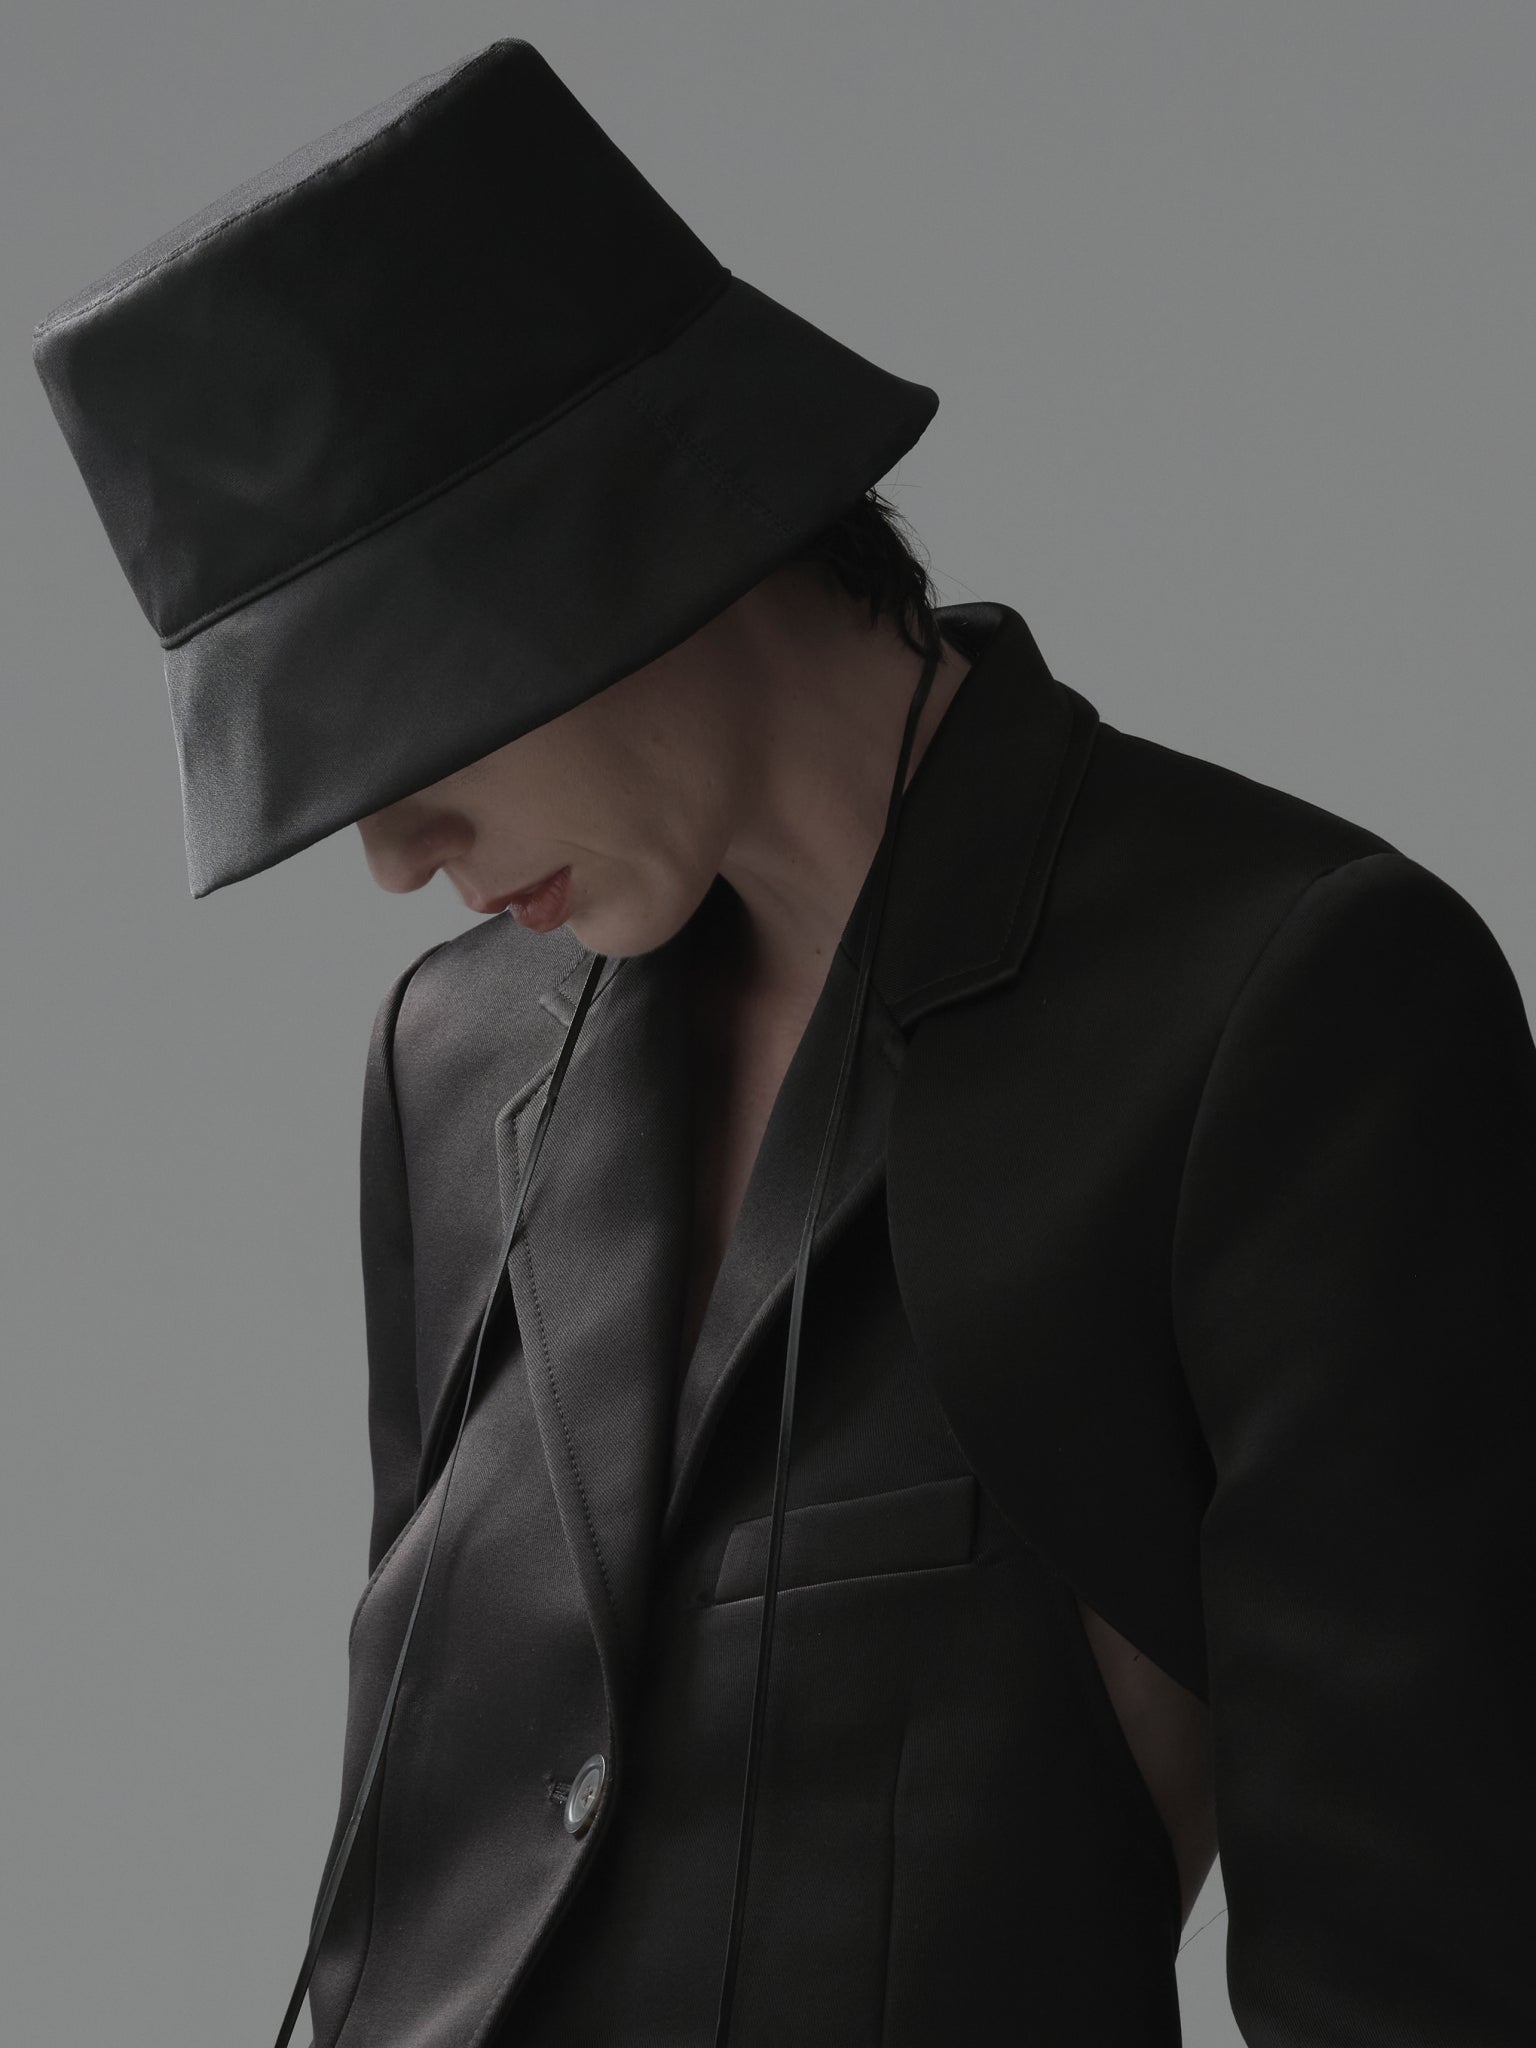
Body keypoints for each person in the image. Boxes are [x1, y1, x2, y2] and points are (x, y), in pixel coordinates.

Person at [32, 37, 1535, 2048]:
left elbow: (1425, 1967)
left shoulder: (1283, 1006)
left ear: (637, 525)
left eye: (399, 718)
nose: (390, 852)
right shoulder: (456, 1063)